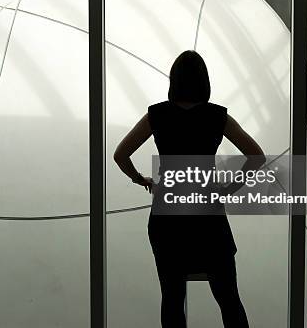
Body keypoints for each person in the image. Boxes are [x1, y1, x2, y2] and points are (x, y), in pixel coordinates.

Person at [113, 50, 265, 328]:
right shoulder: (217, 117)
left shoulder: (156, 115)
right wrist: (229, 188)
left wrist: (142, 180)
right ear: (204, 81)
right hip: (207, 215)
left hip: (167, 217)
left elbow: (120, 154)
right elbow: (257, 156)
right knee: (228, 297)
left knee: (171, 298)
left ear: (174, 81)